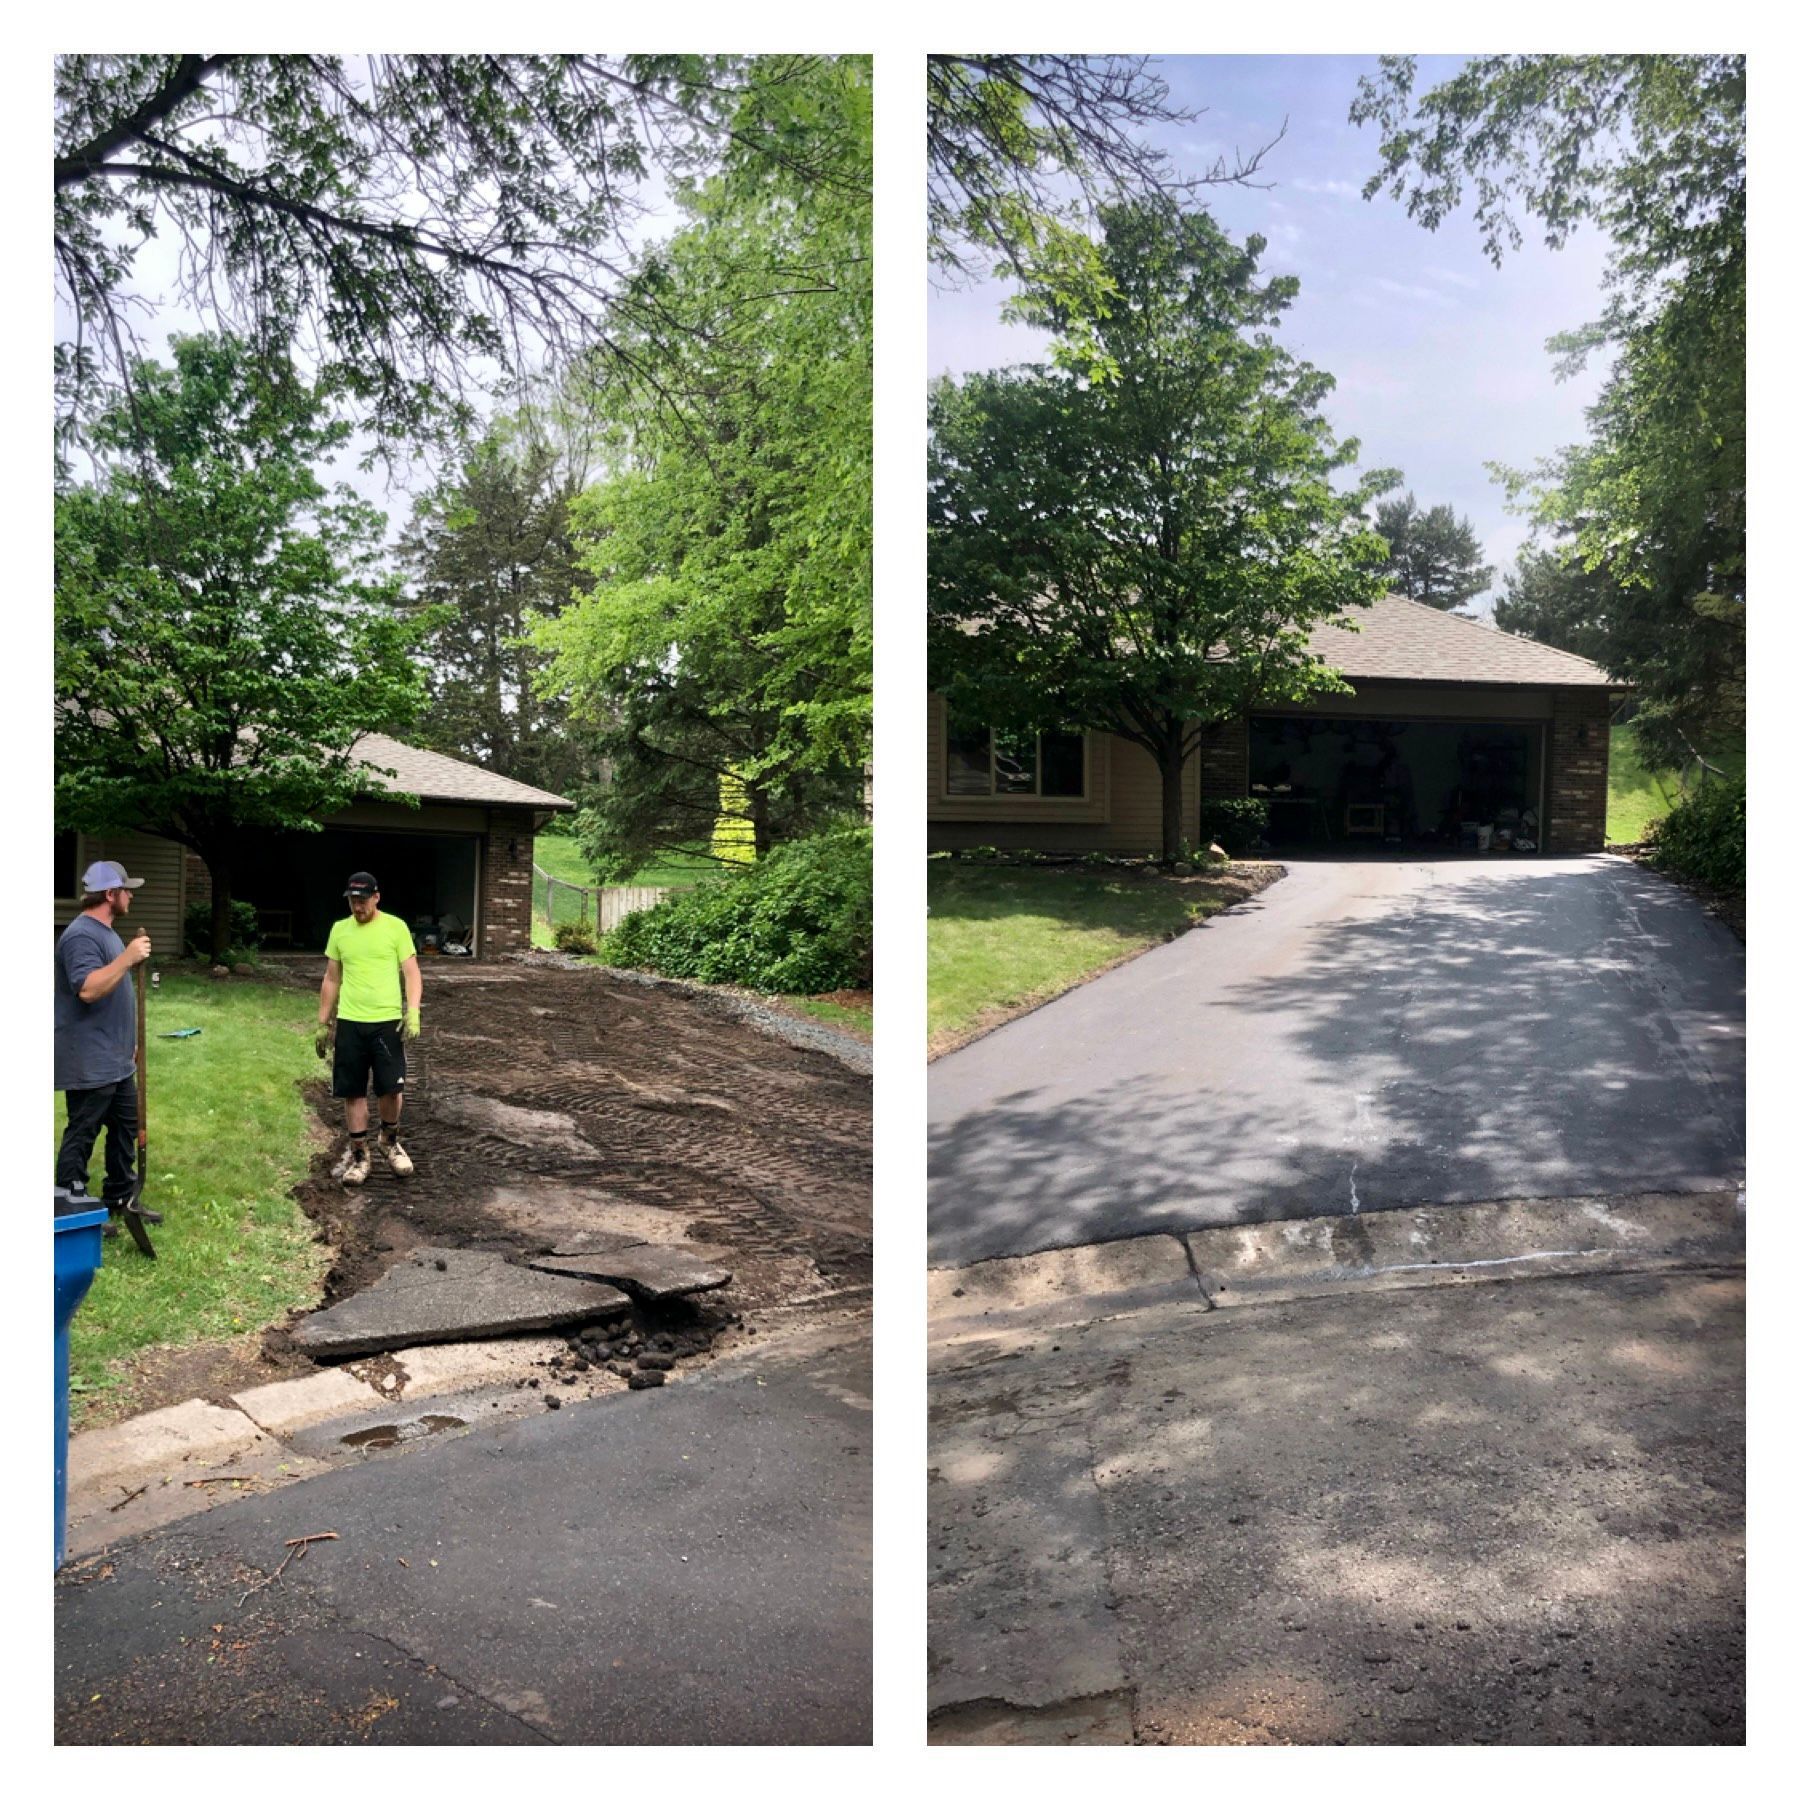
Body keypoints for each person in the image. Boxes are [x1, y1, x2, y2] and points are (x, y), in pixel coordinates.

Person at [55, 861, 161, 1230]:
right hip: (89, 1058)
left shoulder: (107, 932)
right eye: (126, 889)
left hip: (115, 1057)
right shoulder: (81, 936)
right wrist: (128, 958)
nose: (131, 895)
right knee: (83, 1130)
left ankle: (120, 1196)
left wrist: (129, 1043)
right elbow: (87, 989)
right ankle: (71, 1205)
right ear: (109, 894)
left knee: (124, 1128)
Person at [316, 871, 422, 1187]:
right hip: (350, 1022)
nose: (357, 907)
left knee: (391, 1088)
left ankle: (389, 1141)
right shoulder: (339, 930)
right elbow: (331, 978)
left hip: (386, 1021)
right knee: (353, 1090)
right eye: (352, 900)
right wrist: (323, 1022)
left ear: (376, 897)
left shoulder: (395, 927)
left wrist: (413, 1010)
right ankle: (360, 1155)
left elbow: (412, 973)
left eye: (362, 900)